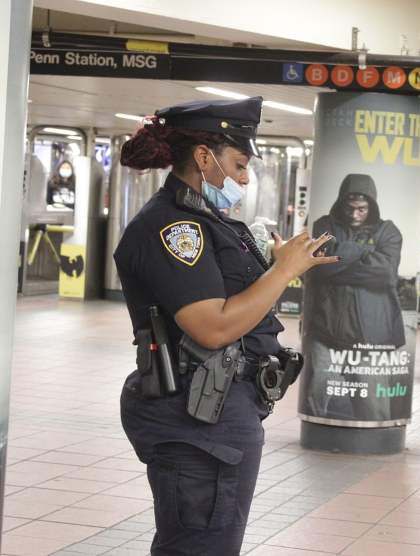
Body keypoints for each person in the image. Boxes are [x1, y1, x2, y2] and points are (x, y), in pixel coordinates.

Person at [114, 97, 337, 555]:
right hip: (197, 418)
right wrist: (282, 273)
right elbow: (211, 328)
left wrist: (274, 266)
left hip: (216, 413)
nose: (244, 178)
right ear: (203, 157)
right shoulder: (176, 228)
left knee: (212, 543)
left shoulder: (207, 221)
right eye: (238, 164)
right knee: (200, 547)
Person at [300, 173, 404, 418]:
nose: (355, 214)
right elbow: (321, 268)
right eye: (350, 208)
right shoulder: (324, 225)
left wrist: (341, 258)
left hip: (370, 338)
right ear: (341, 204)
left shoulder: (389, 231)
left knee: (374, 411)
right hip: (325, 330)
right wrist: (363, 251)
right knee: (314, 400)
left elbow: (386, 275)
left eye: (362, 209)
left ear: (372, 206)